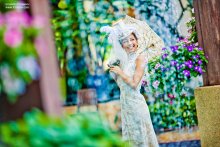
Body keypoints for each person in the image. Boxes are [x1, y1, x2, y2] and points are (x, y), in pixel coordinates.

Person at [100, 21, 159, 147]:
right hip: (126, 103)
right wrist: (115, 70)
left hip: (136, 104)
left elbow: (134, 83)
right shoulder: (124, 60)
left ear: (137, 40)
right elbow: (122, 85)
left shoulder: (140, 58)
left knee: (140, 137)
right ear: (121, 44)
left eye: (132, 39)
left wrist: (120, 72)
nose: (130, 43)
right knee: (130, 137)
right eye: (126, 41)